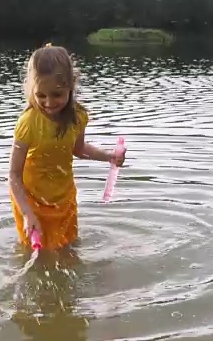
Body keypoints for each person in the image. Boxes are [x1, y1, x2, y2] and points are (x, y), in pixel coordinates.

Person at [9, 43, 126, 251]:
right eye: (41, 95)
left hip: (63, 196)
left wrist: (109, 157)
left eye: (57, 94)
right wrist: (27, 213)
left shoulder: (78, 117)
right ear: (32, 90)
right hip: (31, 199)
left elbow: (78, 149)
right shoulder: (28, 123)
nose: (49, 102)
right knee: (35, 254)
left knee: (68, 249)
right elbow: (14, 175)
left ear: (70, 87)